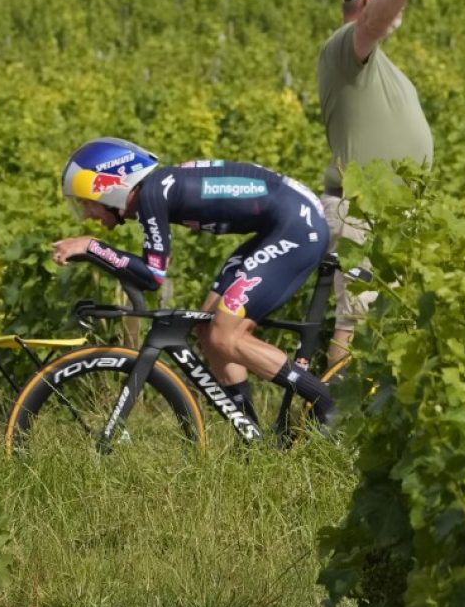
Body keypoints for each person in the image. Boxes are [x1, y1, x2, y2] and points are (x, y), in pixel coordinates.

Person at [51, 137, 335, 424]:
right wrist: (96, 251)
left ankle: (328, 404)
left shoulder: (152, 194)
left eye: (87, 203)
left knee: (226, 335)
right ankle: (250, 436)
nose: (87, 214)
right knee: (206, 329)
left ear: (110, 187)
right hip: (282, 223)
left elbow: (153, 276)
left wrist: (93, 247)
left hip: (297, 228)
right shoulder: (158, 188)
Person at [317, 0, 431, 365]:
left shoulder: (372, 60)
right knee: (359, 321)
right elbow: (373, 22)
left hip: (384, 213)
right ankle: (338, 426)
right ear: (368, 1)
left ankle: (358, 423)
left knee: (379, 323)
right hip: (360, 212)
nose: (398, 7)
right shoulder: (347, 47)